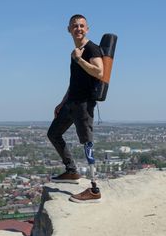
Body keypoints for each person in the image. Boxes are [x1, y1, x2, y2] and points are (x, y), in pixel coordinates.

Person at [47, 14, 103, 203]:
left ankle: (94, 190)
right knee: (53, 133)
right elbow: (74, 82)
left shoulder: (91, 48)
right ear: (68, 29)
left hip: (84, 104)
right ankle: (71, 171)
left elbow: (99, 71)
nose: (78, 28)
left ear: (87, 28)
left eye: (81, 26)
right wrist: (62, 102)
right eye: (75, 26)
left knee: (87, 142)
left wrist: (80, 59)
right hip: (71, 102)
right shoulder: (76, 50)